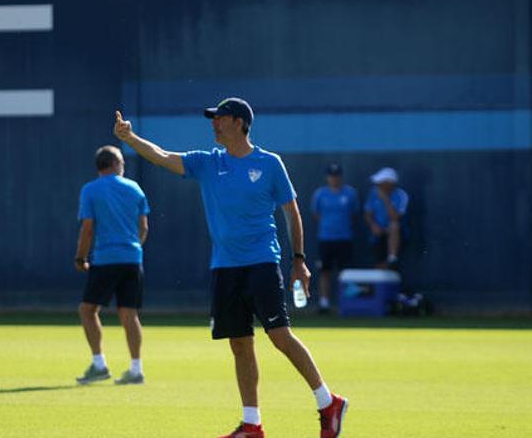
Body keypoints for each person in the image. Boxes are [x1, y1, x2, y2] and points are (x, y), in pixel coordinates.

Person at [114, 98, 348, 438]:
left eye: (219, 118)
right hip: (224, 267)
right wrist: (130, 139)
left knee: (280, 336)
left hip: (262, 263)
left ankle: (328, 402)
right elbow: (164, 157)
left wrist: (299, 261)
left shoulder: (270, 164)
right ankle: (252, 424)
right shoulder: (208, 163)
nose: (214, 124)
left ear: (239, 122)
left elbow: (292, 213)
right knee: (239, 343)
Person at [74, 145, 150, 386]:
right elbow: (144, 228)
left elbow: (88, 229)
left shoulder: (90, 190)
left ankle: (99, 364)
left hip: (106, 259)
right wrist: (132, 248)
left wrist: (80, 257)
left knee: (87, 310)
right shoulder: (135, 188)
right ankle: (136, 369)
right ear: (116, 164)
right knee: (129, 313)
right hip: (132, 259)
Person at [310, 163, 359, 314]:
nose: (334, 179)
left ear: (341, 177)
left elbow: (354, 213)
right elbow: (316, 213)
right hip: (326, 238)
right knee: (324, 271)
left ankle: (345, 302)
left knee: (344, 272)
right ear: (327, 177)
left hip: (344, 238)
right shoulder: (320, 194)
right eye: (331, 176)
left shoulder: (350, 193)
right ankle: (324, 303)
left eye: (336, 176)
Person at [363, 167, 409, 270]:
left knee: (394, 225)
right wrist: (373, 225)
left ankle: (392, 257)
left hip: (397, 235)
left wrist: (385, 199)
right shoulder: (373, 193)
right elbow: (367, 213)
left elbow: (395, 217)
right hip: (378, 234)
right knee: (378, 264)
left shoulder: (401, 195)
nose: (378, 185)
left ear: (389, 183)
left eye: (381, 182)